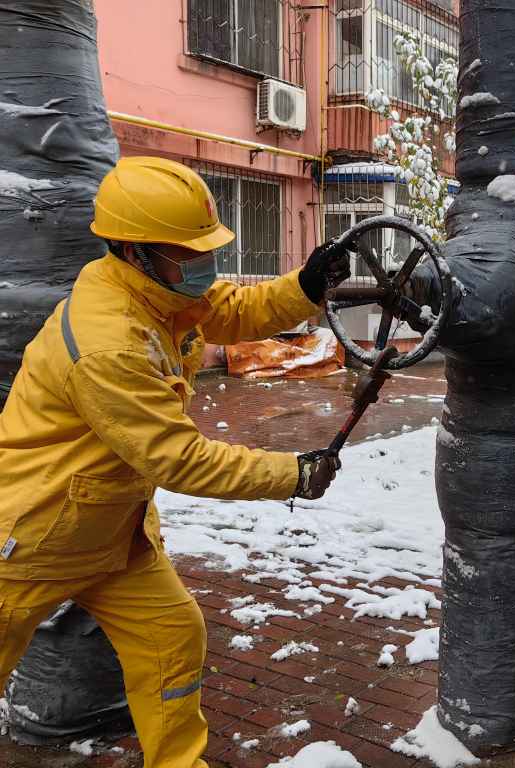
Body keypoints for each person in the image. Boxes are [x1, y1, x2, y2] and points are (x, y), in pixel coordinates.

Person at [0, 157, 348, 767]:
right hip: (31, 536)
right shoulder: (111, 342)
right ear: (134, 250)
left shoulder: (158, 292)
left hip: (109, 534)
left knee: (171, 637)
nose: (202, 264)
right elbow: (179, 460)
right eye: (188, 253)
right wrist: (292, 474)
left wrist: (305, 288)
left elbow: (232, 310)